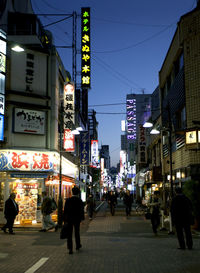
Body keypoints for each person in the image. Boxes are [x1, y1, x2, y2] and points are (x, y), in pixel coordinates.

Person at [63, 187, 85, 254]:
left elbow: (65, 210)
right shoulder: (79, 200)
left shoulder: (68, 200)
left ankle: (70, 248)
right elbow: (82, 210)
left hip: (69, 219)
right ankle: (78, 245)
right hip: (77, 219)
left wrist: (64, 219)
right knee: (77, 232)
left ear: (72, 192)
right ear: (78, 193)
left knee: (69, 234)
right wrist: (82, 218)